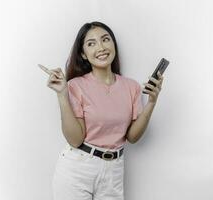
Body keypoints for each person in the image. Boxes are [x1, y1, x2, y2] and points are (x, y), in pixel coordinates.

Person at [40, 21, 164, 200]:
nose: (101, 47)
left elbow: (132, 137)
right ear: (83, 54)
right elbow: (75, 140)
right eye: (91, 43)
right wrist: (62, 94)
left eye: (105, 40)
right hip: (78, 168)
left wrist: (152, 102)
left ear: (113, 44)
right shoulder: (75, 86)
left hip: (114, 170)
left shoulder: (132, 87)